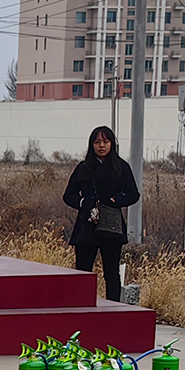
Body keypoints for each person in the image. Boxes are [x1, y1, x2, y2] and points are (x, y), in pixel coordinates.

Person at [62, 126, 140, 302]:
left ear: (112, 144)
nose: (101, 146)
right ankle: (81, 306)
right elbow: (68, 195)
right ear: (91, 145)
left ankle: (113, 309)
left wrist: (117, 200)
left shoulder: (121, 167)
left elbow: (133, 194)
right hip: (87, 225)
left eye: (105, 142)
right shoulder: (83, 168)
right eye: (97, 142)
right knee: (83, 271)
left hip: (111, 224)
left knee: (111, 272)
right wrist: (83, 203)